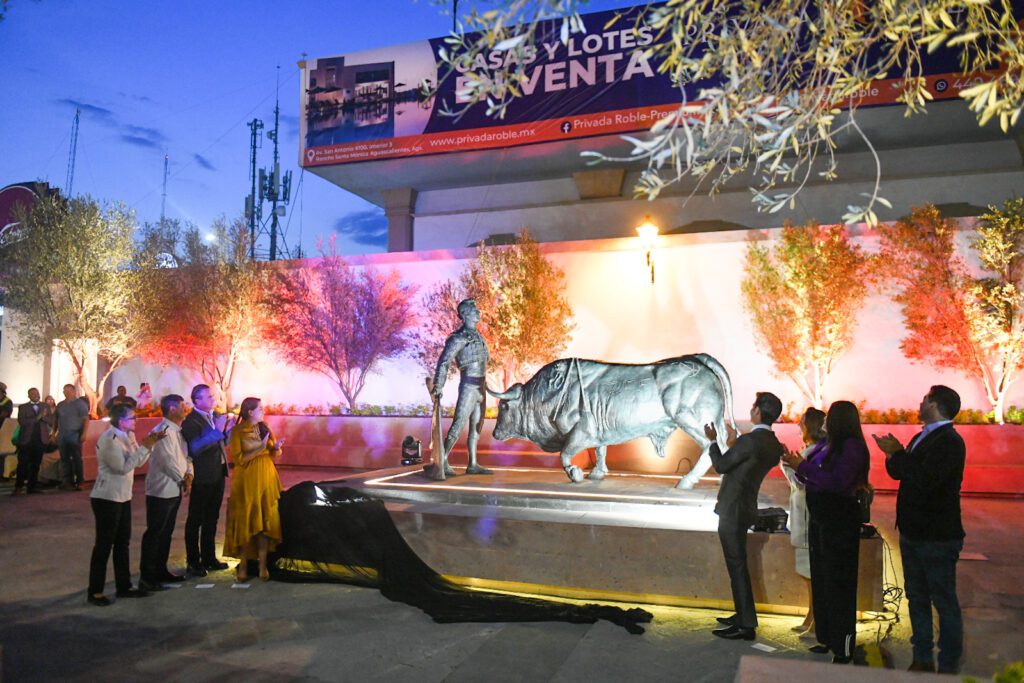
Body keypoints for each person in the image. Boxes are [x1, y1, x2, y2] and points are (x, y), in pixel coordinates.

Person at [874, 385, 966, 674]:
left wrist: (899, 454)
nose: (920, 402)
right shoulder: (922, 436)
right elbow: (901, 473)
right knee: (916, 597)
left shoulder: (949, 441)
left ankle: (948, 664)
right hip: (913, 532)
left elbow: (926, 479)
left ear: (935, 405)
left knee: (943, 600)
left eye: (925, 399)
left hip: (937, 536)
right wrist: (893, 455)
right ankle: (922, 657)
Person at [782, 400, 870, 664]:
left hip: (839, 521)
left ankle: (843, 646)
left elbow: (837, 481)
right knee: (823, 580)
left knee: (839, 583)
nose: (824, 421)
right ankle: (827, 637)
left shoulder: (852, 447)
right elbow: (810, 477)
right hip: (821, 519)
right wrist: (797, 466)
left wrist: (803, 467)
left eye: (829, 416)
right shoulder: (828, 446)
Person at [703, 391, 784, 641]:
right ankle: (741, 615)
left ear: (757, 411)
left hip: (733, 508)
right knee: (737, 564)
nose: (751, 410)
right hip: (746, 507)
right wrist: (734, 444)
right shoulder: (772, 444)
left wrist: (713, 441)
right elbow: (744, 464)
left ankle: (746, 624)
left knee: (736, 565)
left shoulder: (749, 441)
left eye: (753, 406)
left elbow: (721, 465)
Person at [87, 404, 167, 606]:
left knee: (123, 542)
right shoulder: (109, 439)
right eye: (132, 418)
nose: (135, 421)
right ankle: (95, 590)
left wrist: (150, 445)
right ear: (121, 421)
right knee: (104, 544)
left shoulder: (128, 436)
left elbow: (137, 462)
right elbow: (122, 467)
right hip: (107, 497)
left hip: (123, 496)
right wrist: (145, 447)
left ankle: (124, 586)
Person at [428, 298, 493, 480]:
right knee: (459, 423)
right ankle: (443, 460)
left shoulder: (478, 336)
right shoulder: (458, 338)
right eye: (474, 310)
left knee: (477, 425)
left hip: (481, 385)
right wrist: (438, 385)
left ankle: (473, 464)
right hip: (469, 385)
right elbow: (444, 362)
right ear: (465, 315)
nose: (478, 312)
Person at [224, 397, 283, 582]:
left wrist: (277, 448)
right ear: (250, 412)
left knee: (265, 520)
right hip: (246, 480)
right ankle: (243, 565)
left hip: (266, 477)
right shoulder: (237, 431)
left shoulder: (265, 427)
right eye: (260, 409)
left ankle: (263, 565)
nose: (263, 411)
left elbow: (274, 453)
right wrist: (261, 447)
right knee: (246, 520)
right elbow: (239, 458)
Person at [779, 407, 826, 636]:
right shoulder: (814, 451)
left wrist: (786, 464)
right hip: (804, 517)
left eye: (802, 422)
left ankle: (816, 622)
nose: (799, 425)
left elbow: (801, 483)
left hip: (808, 519)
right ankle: (811, 618)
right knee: (808, 574)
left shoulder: (816, 452)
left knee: (811, 574)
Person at [138, 394, 193, 592]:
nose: (186, 409)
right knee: (155, 532)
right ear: (171, 409)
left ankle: (160, 569)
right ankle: (147, 576)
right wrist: (182, 479)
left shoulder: (178, 431)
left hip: (174, 489)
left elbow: (186, 457)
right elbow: (167, 461)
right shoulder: (162, 431)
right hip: (161, 489)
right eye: (182, 405)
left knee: (166, 532)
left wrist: (189, 475)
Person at [182, 384, 234, 576]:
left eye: (213, 396)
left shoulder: (214, 416)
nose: (213, 399)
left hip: (218, 473)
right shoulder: (191, 421)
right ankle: (193, 561)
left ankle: (209, 557)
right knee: (196, 518)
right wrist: (217, 431)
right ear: (197, 400)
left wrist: (227, 432)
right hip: (202, 475)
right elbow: (195, 447)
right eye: (209, 397)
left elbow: (219, 443)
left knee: (212, 517)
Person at [13, 387, 54, 495]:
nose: (36, 395)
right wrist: (38, 417)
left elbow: (51, 421)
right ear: (29, 396)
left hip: (40, 439)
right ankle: (18, 486)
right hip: (26, 440)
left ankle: (31, 487)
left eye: (37, 393)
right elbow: (22, 422)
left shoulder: (45, 406)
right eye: (33, 394)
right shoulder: (23, 407)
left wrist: (44, 418)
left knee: (36, 464)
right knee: (22, 464)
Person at [55, 383, 90, 491]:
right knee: (64, 459)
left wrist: (84, 433)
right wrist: (53, 433)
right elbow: (55, 419)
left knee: (76, 458)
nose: (66, 393)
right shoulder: (60, 405)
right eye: (65, 391)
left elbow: (86, 420)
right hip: (62, 434)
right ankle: (67, 481)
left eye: (68, 391)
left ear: (74, 391)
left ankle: (80, 481)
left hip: (75, 434)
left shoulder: (80, 404)